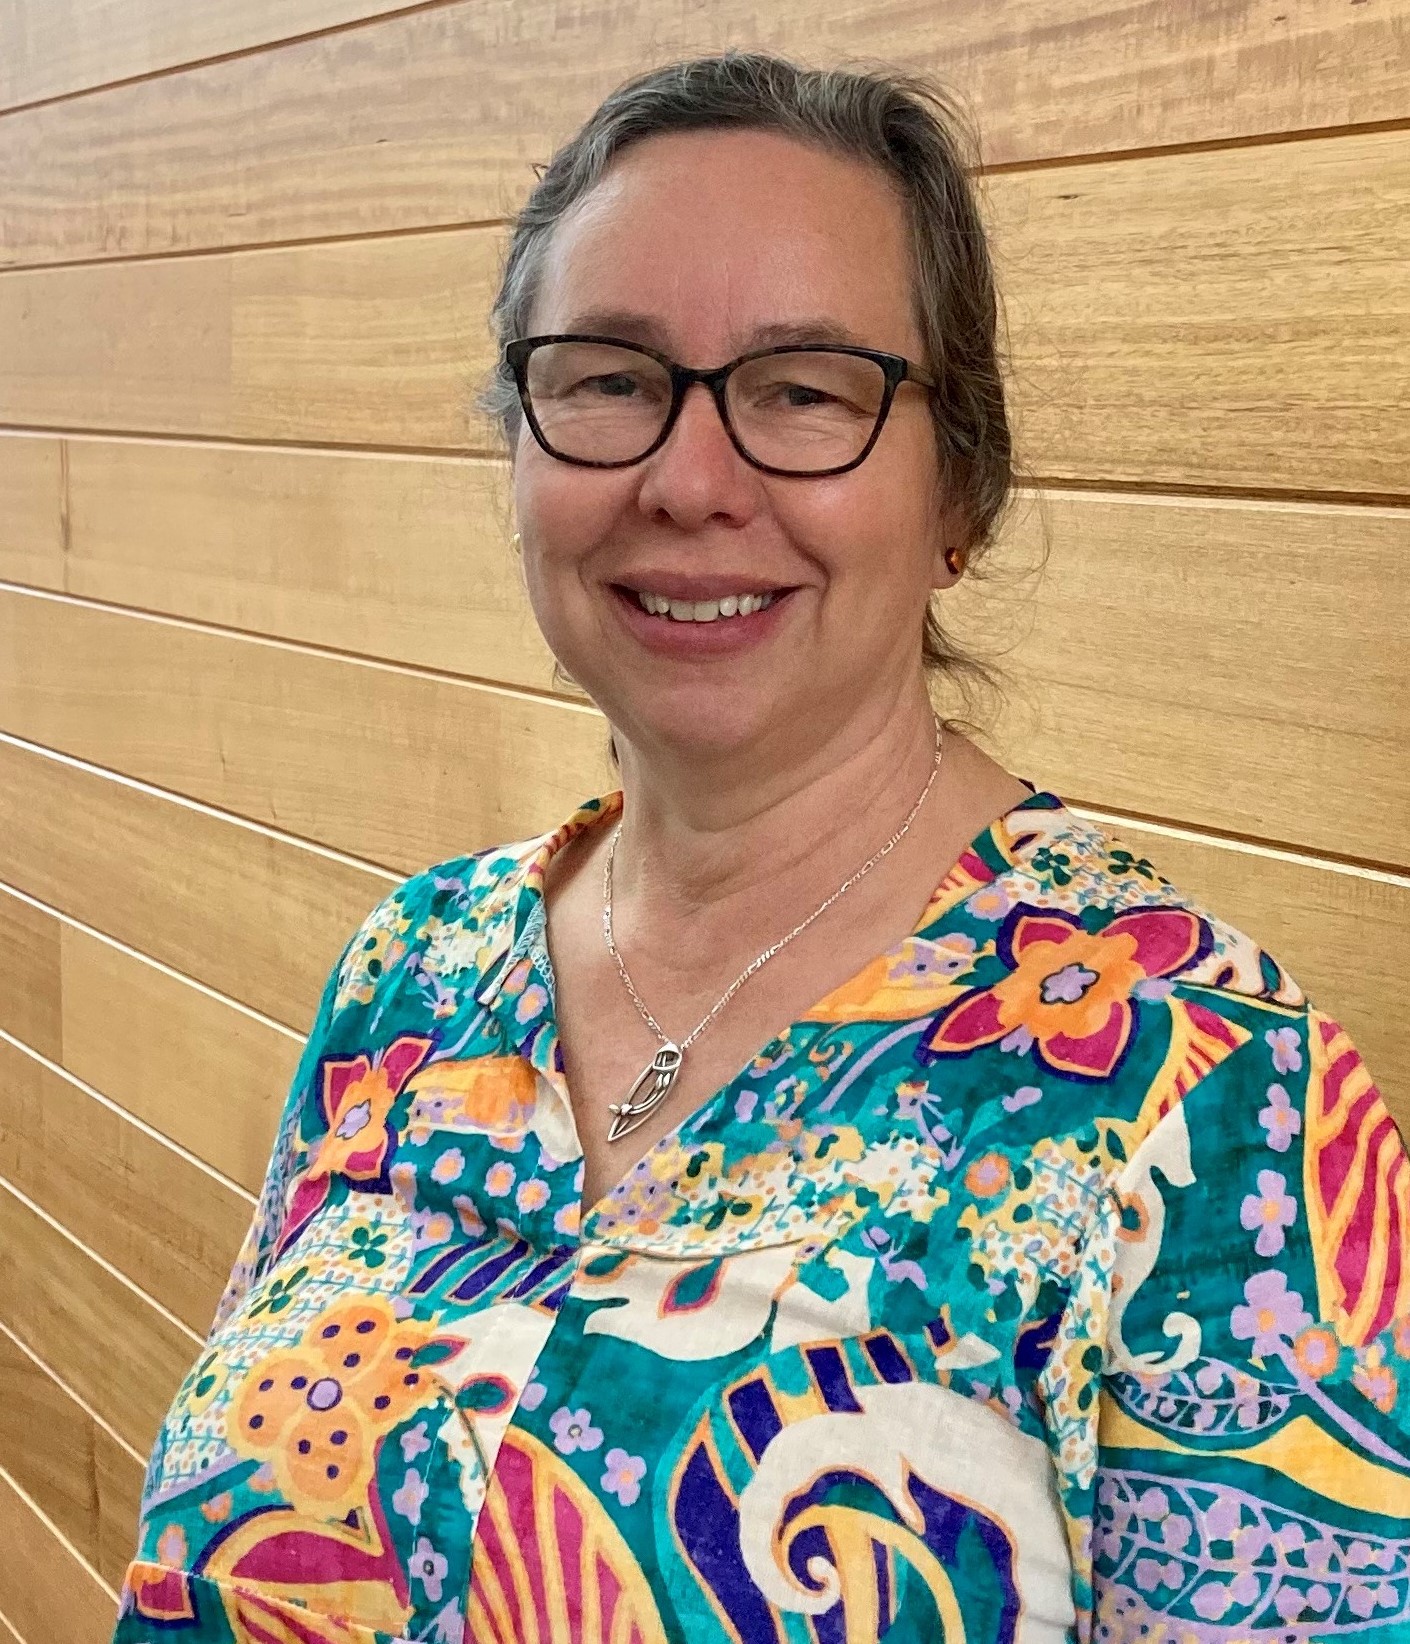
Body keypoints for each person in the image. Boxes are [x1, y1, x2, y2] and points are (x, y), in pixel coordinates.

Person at [114, 51, 1409, 1644]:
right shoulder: (414, 969)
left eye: (803, 390)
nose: (687, 480)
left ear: (960, 493)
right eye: (609, 379)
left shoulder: (1200, 1093)